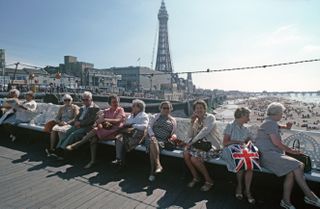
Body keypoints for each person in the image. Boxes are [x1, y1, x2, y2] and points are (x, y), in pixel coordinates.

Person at [255, 102, 320, 209]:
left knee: (290, 171)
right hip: (267, 155)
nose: (282, 115)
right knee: (298, 165)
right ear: (277, 113)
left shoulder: (269, 122)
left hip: (268, 154)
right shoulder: (270, 123)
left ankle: (286, 201)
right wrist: (292, 151)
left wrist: (286, 126)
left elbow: (276, 127)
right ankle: (310, 196)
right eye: (281, 113)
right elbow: (277, 143)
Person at [66, 94, 125, 168]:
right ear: (110, 103)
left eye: (117, 102)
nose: (115, 104)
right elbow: (98, 121)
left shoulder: (120, 110)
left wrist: (105, 120)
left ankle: (77, 144)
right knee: (93, 139)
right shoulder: (106, 111)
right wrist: (99, 122)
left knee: (95, 131)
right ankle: (92, 161)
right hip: (105, 131)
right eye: (113, 102)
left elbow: (118, 120)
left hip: (114, 132)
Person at [183, 99, 221, 192]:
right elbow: (189, 135)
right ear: (194, 110)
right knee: (185, 153)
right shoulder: (196, 121)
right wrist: (192, 123)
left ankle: (209, 180)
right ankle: (196, 177)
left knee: (194, 158)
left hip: (212, 147)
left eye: (201, 108)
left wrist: (190, 143)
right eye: (197, 108)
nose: (199, 110)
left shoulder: (210, 117)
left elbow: (205, 131)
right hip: (199, 147)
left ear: (205, 109)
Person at [222, 107, 255, 204]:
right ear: (241, 115)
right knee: (241, 163)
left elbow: (248, 140)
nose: (248, 118)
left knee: (250, 166)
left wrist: (249, 143)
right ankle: (240, 186)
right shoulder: (230, 126)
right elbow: (225, 143)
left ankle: (247, 190)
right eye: (247, 116)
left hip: (241, 151)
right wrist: (238, 142)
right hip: (229, 150)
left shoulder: (245, 129)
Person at [55, 91, 99, 156]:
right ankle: (57, 148)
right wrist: (76, 122)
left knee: (73, 134)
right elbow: (77, 117)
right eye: (83, 100)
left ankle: (61, 150)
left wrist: (80, 124)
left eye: (86, 100)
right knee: (67, 132)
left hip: (87, 127)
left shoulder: (95, 108)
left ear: (91, 99)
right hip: (78, 125)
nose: (84, 101)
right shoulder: (82, 107)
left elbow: (90, 120)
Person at [112, 99, 149, 167]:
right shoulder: (131, 115)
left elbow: (144, 127)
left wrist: (133, 125)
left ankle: (121, 162)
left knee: (123, 141)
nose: (132, 107)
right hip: (129, 134)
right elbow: (127, 123)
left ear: (139, 107)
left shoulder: (144, 115)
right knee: (119, 138)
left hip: (138, 136)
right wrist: (126, 125)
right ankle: (119, 159)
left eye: (134, 106)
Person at [146, 101, 177, 182]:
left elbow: (173, 132)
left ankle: (153, 171)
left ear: (170, 109)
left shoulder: (173, 120)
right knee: (153, 142)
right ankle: (157, 166)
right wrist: (152, 135)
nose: (166, 110)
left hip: (164, 141)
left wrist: (173, 136)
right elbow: (149, 126)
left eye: (168, 108)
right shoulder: (155, 116)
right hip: (152, 137)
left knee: (153, 146)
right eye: (164, 108)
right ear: (160, 109)